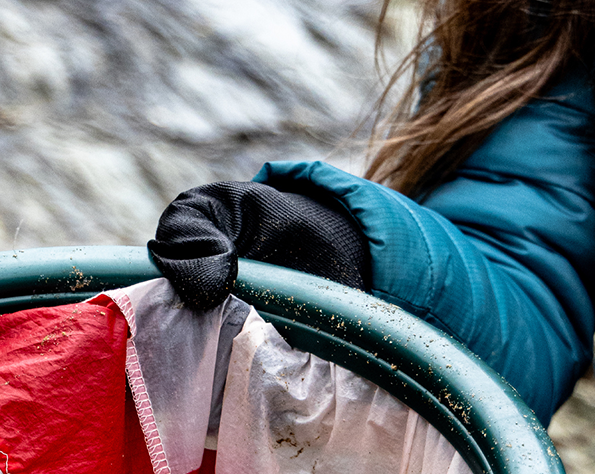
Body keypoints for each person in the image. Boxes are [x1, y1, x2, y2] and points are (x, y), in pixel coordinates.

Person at [148, 0, 595, 426]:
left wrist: (339, 250)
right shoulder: (530, 27)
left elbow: (539, 305)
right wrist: (337, 251)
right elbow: (531, 267)